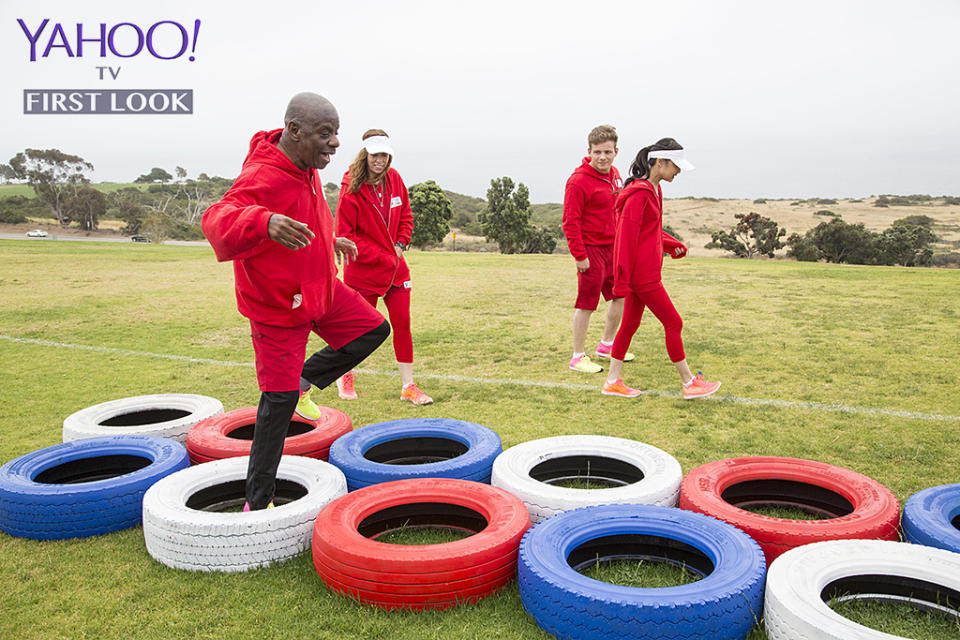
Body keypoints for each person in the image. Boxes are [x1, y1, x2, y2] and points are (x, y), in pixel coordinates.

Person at [202, 92, 390, 511]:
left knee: (373, 329)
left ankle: (305, 380)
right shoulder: (263, 176)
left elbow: (307, 216)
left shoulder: (303, 166)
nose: (336, 143)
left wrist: (330, 240)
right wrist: (263, 221)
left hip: (320, 288)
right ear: (294, 131)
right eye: (326, 134)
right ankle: (258, 501)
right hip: (277, 308)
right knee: (278, 405)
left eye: (337, 133)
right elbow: (216, 219)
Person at [601, 137, 721, 400]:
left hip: (644, 272)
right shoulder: (639, 194)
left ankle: (612, 381)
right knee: (673, 322)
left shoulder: (653, 190)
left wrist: (669, 244)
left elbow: (648, 231)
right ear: (659, 162)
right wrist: (620, 281)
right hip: (642, 277)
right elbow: (625, 238)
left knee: (629, 325)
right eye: (675, 166)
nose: (677, 171)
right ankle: (689, 383)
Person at [332, 130, 433, 405]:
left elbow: (407, 218)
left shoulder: (395, 179)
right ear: (365, 155)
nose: (380, 160)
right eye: (376, 155)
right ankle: (345, 374)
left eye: (385, 155)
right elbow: (346, 236)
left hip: (396, 269)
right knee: (357, 330)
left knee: (403, 324)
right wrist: (382, 255)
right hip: (363, 272)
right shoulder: (350, 188)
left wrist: (400, 243)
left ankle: (408, 386)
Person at [562, 125, 635, 374]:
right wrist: (580, 256)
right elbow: (570, 222)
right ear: (589, 151)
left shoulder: (614, 174)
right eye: (597, 152)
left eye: (607, 152)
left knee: (619, 296)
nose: (602, 157)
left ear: (616, 151)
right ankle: (577, 356)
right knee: (587, 304)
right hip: (591, 251)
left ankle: (606, 345)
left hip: (613, 249)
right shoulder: (578, 181)